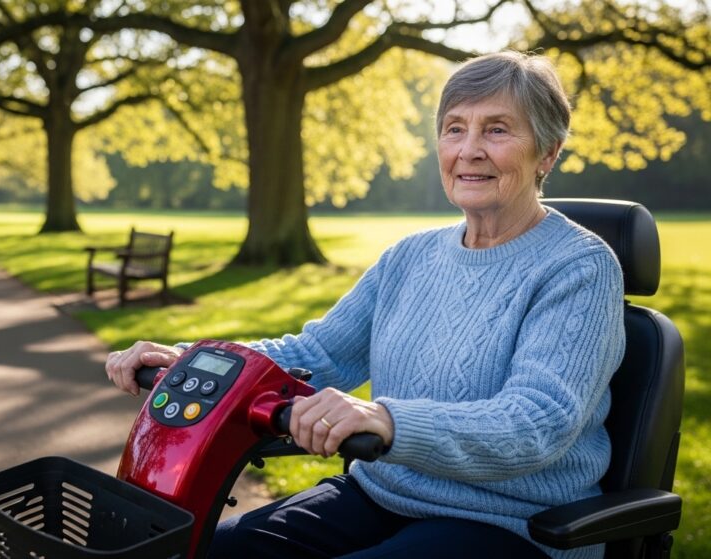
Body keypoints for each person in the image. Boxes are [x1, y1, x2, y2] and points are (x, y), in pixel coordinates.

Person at [106, 51, 625, 559]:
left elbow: (534, 424)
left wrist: (387, 420)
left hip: (512, 523)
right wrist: (193, 363)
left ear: (548, 153)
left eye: (496, 129)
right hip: (381, 493)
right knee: (213, 551)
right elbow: (319, 352)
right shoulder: (409, 256)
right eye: (454, 128)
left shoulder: (579, 267)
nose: (469, 149)